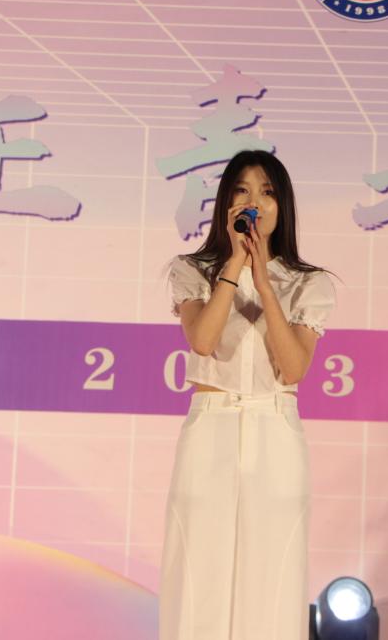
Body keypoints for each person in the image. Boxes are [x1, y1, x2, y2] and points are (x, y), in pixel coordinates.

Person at [159, 150, 336, 640]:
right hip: (211, 424)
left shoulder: (308, 282)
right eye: (242, 190)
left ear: (283, 206)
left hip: (274, 427)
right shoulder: (192, 270)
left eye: (267, 192)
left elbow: (293, 368)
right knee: (198, 567)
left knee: (272, 569)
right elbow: (203, 340)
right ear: (226, 203)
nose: (254, 201)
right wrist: (236, 263)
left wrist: (265, 283)